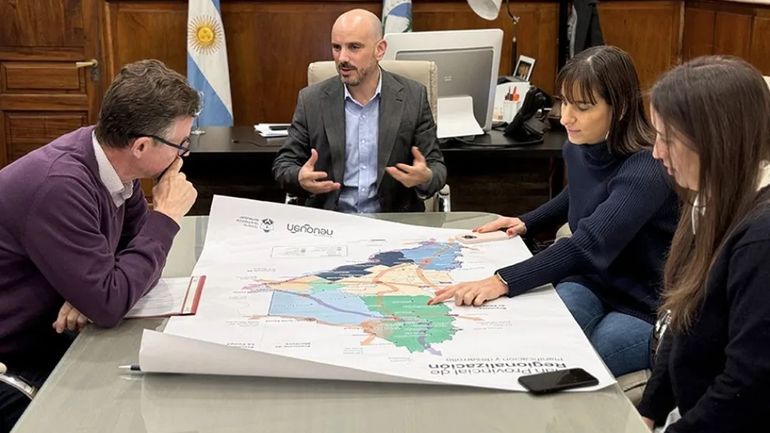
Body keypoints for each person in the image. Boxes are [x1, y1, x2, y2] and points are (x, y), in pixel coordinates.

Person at [429, 46, 679, 377]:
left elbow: (589, 243)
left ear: (618, 109)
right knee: (541, 343)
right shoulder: (577, 145)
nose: (565, 117)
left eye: (582, 107)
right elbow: (578, 190)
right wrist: (527, 222)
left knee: (590, 358)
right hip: (593, 280)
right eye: (564, 102)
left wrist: (503, 280)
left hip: (644, 300)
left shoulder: (646, 168)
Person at [0, 59, 198, 432]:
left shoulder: (112, 165)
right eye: (181, 143)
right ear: (140, 145)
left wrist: (91, 288)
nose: (183, 154)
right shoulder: (60, 185)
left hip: (55, 337)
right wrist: (168, 216)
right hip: (18, 359)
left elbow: (132, 264)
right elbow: (110, 302)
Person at [637, 56, 770, 432]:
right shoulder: (711, 200)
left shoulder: (761, 238)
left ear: (716, 140)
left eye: (667, 139)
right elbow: (682, 322)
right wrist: (649, 410)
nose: (656, 152)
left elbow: (750, 386)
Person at [272, 9, 447, 213]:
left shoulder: (412, 97)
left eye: (354, 47)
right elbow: (283, 165)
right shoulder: (312, 100)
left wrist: (425, 177)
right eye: (336, 47)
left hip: (393, 223)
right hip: (332, 223)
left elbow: (437, 168)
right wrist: (299, 178)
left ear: (380, 49)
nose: (342, 58)